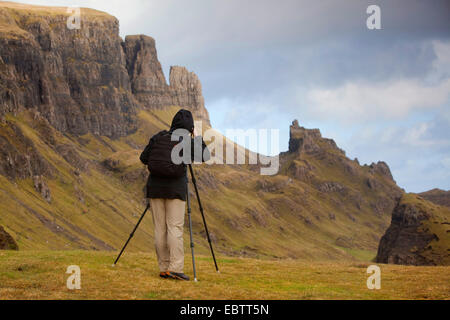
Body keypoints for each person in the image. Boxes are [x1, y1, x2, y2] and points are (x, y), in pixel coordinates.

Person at [139, 109, 210, 281]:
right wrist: (197, 137)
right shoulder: (186, 141)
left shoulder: (159, 137)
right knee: (174, 228)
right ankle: (175, 268)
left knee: (160, 229)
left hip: (155, 188)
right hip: (175, 190)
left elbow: (143, 158)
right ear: (190, 128)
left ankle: (163, 267)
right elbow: (205, 155)